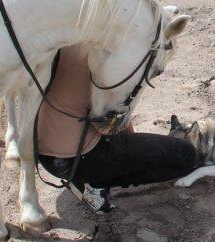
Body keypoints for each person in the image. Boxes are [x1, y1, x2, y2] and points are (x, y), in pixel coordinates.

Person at [36, 45, 198, 215]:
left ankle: (90, 178)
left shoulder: (67, 41)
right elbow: (108, 126)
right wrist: (134, 147)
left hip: (45, 155)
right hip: (80, 159)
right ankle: (94, 184)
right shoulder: (105, 55)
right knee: (186, 155)